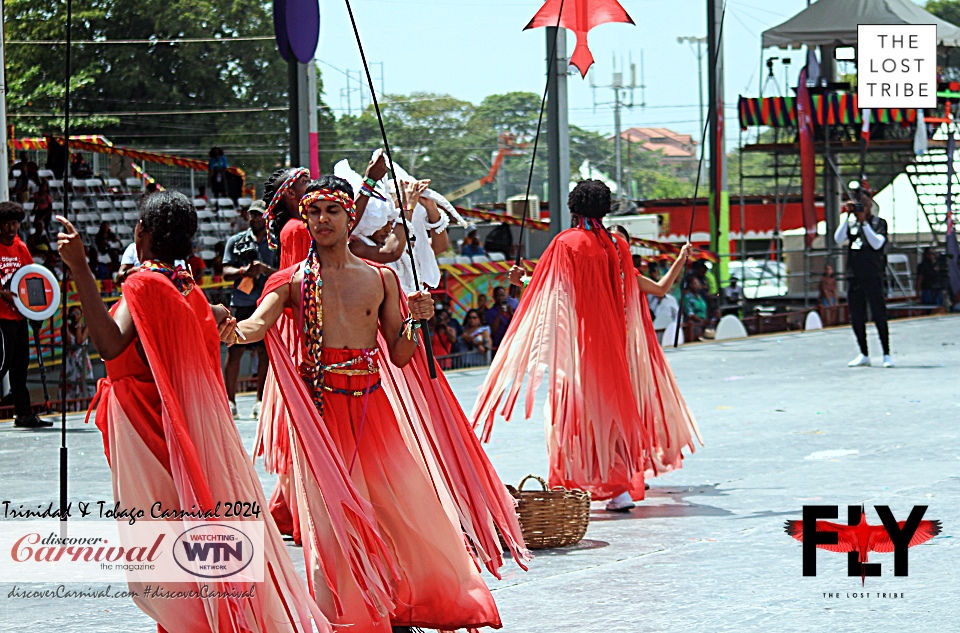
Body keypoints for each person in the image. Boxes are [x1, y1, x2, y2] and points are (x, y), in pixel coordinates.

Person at [222, 177, 524, 633]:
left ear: (350, 217)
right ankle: (352, 615)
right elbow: (254, 327)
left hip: (372, 408)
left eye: (332, 211)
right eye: (315, 212)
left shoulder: (380, 278)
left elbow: (401, 356)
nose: (322, 220)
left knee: (398, 509)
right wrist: (230, 327)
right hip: (320, 418)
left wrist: (417, 323)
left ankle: (409, 599)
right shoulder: (290, 282)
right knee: (331, 523)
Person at [54, 194, 328, 633]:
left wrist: (81, 269)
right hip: (175, 429)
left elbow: (108, 344)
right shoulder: (186, 286)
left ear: (141, 233)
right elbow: (199, 320)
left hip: (146, 430)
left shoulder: (145, 284)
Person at [476, 180, 701, 512]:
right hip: (617, 344)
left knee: (571, 415)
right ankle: (619, 489)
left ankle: (573, 484)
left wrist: (519, 281)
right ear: (606, 209)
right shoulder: (617, 246)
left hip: (582, 346)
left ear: (572, 208)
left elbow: (547, 291)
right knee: (614, 412)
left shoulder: (566, 244)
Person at [222, 200, 277, 419]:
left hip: (266, 302)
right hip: (242, 302)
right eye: (253, 215)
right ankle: (230, 400)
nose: (255, 218)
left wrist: (264, 269)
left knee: (265, 353)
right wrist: (244, 271)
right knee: (234, 350)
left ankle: (260, 400)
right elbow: (226, 270)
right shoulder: (236, 241)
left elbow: (284, 270)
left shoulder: (275, 243)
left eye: (259, 215)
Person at [0, 202, 49, 427]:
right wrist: (3, 295)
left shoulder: (21, 247)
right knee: (1, 365)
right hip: (1, 318)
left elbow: (31, 279)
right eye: (7, 224)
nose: (11, 228)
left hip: (19, 316)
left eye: (15, 223)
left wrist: (35, 311)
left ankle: (24, 414)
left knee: (20, 366)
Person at [834, 183, 893, 368]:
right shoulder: (851, 223)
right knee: (856, 315)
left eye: (864, 205)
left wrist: (863, 222)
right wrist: (849, 216)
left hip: (873, 274)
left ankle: (886, 353)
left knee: (878, 313)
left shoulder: (878, 223)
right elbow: (838, 239)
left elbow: (877, 244)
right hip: (854, 275)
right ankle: (863, 353)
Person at [64, 305, 94, 400]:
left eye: (78, 314)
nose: (75, 316)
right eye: (73, 314)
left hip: (82, 360)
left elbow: (79, 341)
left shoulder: (86, 328)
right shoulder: (66, 328)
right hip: (70, 362)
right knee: (70, 385)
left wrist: (78, 327)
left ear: (81, 315)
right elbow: (68, 342)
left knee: (85, 384)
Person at [484, 286, 514, 351]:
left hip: (511, 343)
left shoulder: (510, 309)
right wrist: (499, 314)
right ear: (494, 298)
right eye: (498, 296)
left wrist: (511, 313)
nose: (501, 298)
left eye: (503, 295)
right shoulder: (490, 312)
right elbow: (493, 331)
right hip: (498, 346)